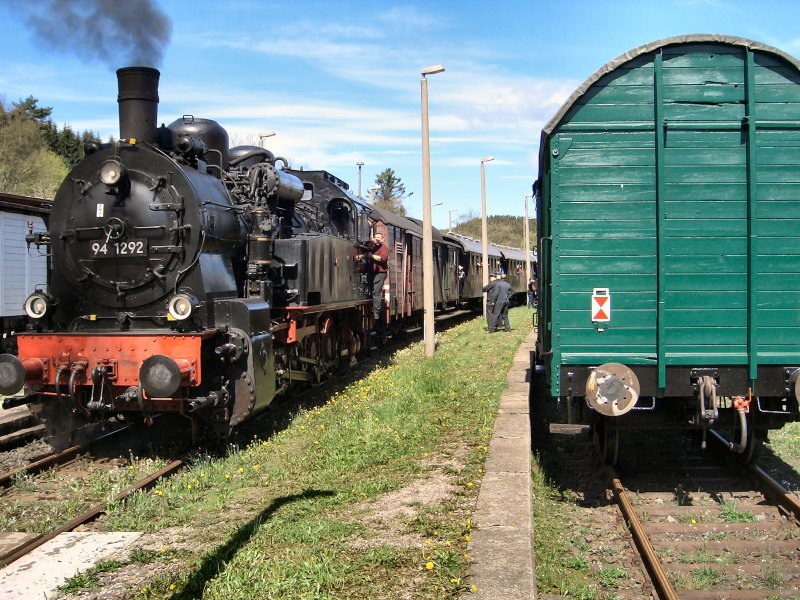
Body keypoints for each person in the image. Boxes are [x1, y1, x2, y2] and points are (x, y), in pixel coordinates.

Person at [363, 231, 389, 322]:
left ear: (382, 239)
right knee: (370, 289)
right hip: (372, 273)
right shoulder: (373, 247)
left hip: (380, 273)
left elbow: (381, 258)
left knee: (376, 291)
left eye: (379, 237)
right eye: (376, 237)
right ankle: (371, 308)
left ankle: (376, 312)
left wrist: (371, 255)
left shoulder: (384, 248)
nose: (377, 238)